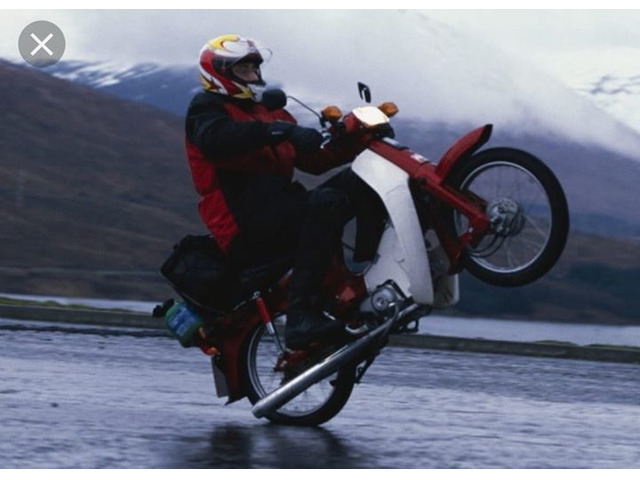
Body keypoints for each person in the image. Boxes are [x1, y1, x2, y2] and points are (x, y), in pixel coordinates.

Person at [184, 34, 385, 350]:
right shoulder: (207, 108)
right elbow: (215, 139)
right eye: (243, 69)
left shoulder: (270, 112)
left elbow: (314, 161)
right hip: (243, 223)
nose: (252, 75)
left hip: (280, 210)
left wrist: (359, 141)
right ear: (219, 73)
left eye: (254, 68)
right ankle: (299, 317)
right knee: (325, 202)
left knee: (363, 177)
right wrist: (280, 131)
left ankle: (368, 265)